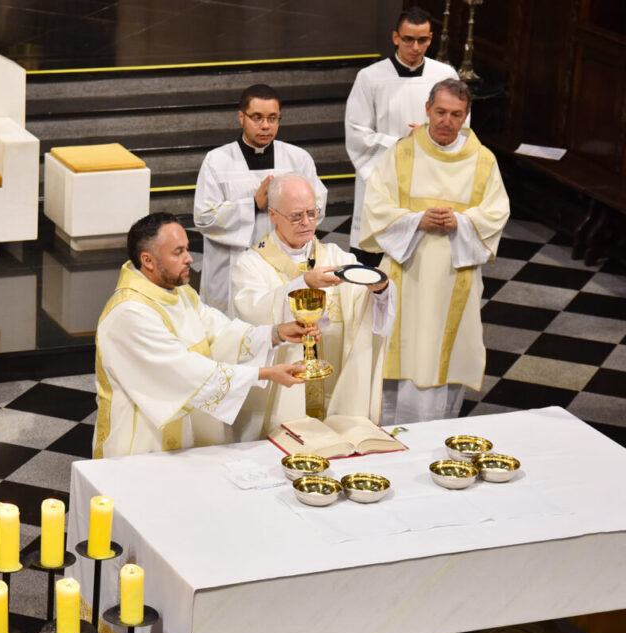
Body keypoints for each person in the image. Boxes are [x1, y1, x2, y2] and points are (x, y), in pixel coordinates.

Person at [93, 211, 314, 459]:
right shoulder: (129, 313)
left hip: (185, 433)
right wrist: (263, 374)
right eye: (178, 252)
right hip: (140, 441)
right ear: (148, 260)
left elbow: (221, 333)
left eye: (187, 249)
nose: (189, 258)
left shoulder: (180, 292)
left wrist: (276, 333)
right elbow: (182, 370)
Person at [359, 79, 509, 424]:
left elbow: (497, 213)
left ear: (465, 116)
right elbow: (376, 206)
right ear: (427, 110)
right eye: (440, 112)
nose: (447, 121)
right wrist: (416, 221)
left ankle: (436, 428)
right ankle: (387, 429)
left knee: (443, 351)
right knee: (400, 345)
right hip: (407, 268)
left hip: (455, 273)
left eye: (456, 114)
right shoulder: (403, 153)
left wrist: (461, 223)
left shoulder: (483, 161)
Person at [231, 175, 395, 438]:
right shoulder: (250, 264)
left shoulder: (336, 257)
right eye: (296, 216)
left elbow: (366, 306)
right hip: (283, 399)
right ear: (273, 215)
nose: (307, 222)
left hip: (333, 392)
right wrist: (304, 282)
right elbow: (253, 314)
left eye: (312, 213)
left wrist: (380, 291)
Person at [194, 84, 328, 316]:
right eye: (257, 118)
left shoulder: (298, 159)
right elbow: (204, 218)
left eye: (273, 118)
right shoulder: (217, 160)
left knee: (282, 318)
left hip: (284, 262)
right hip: (232, 266)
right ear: (241, 117)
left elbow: (318, 207)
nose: (266, 126)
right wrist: (252, 205)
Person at [344, 6, 460, 256]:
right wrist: (402, 142)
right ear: (395, 37)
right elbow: (356, 133)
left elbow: (462, 125)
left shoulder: (446, 76)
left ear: (431, 38)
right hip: (385, 174)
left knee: (424, 256)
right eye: (408, 39)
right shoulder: (370, 78)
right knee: (377, 258)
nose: (415, 47)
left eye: (422, 40)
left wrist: (433, 137)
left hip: (431, 175)